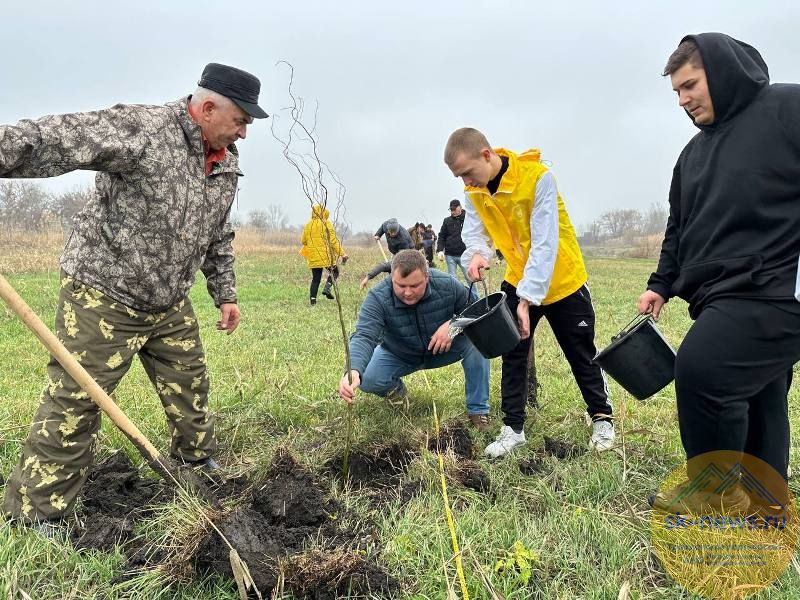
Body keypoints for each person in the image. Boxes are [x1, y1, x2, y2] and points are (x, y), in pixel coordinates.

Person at [0, 62, 268, 524]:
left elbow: (217, 231)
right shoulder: (143, 129)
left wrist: (225, 292)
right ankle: (36, 514)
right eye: (240, 121)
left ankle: (195, 463)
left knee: (190, 384)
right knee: (76, 402)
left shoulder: (224, 160)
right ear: (207, 108)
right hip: (105, 294)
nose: (244, 133)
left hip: (168, 300)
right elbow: (58, 137)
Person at [639, 34, 800, 513]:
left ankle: (715, 495)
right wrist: (661, 284)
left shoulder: (786, 109)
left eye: (690, 85)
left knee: (703, 371)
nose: (683, 100)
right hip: (718, 293)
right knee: (761, 395)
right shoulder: (692, 156)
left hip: (775, 286)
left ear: (722, 72)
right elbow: (679, 228)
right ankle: (770, 506)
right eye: (677, 92)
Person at [444, 127, 614, 458]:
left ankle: (602, 419)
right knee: (513, 351)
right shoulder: (475, 192)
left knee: (580, 352)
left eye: (467, 172)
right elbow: (475, 233)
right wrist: (476, 254)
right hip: (518, 275)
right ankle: (513, 429)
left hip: (563, 279)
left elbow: (545, 245)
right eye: (459, 177)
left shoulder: (538, 179)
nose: (466, 182)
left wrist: (527, 300)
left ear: (486, 155)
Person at [339, 250, 491, 431]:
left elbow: (477, 310)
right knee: (369, 378)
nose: (408, 292)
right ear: (392, 278)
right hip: (400, 353)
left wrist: (453, 325)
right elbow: (364, 335)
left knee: (478, 344)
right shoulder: (378, 297)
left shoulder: (447, 284)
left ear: (426, 277)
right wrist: (353, 369)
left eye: (414, 285)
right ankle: (399, 395)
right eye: (400, 285)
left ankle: (478, 411)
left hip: (442, 349)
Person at [300, 204, 348, 305]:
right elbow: (333, 241)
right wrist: (342, 253)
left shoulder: (308, 225)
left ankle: (313, 301)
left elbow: (303, 241)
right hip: (326, 255)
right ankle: (327, 288)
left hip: (313, 256)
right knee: (335, 272)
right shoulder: (326, 223)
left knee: (316, 279)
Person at [360, 218, 415, 289]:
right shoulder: (386, 226)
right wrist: (378, 234)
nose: (392, 234)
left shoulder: (404, 239)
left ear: (397, 230)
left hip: (407, 253)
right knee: (392, 268)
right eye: (390, 232)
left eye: (394, 232)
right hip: (395, 250)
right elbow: (382, 227)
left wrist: (393, 267)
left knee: (400, 270)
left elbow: (386, 265)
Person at [436, 200, 471, 285]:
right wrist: (440, 250)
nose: (453, 212)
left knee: (469, 278)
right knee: (453, 280)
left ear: (460, 207)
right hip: (450, 255)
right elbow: (442, 236)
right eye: (451, 210)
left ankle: (474, 294)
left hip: (464, 255)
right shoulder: (447, 221)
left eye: (454, 209)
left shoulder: (468, 219)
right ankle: (456, 294)